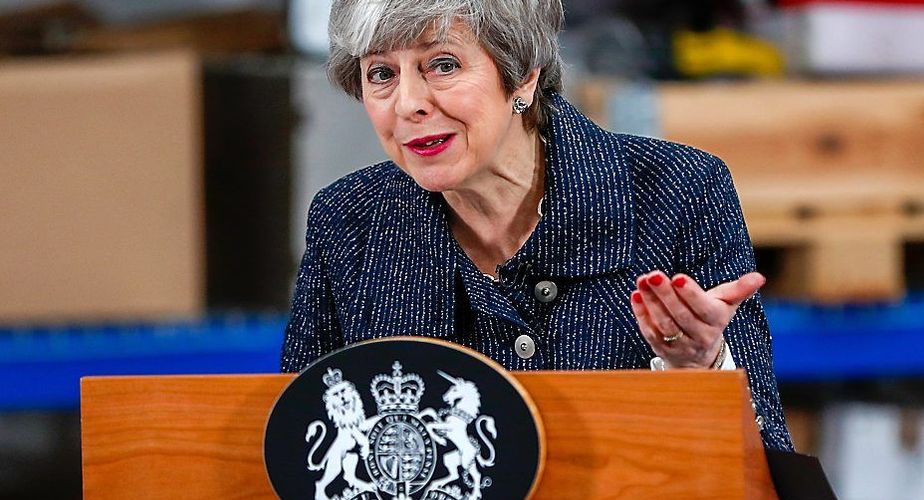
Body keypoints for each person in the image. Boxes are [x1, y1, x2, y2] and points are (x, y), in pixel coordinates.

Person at [281, 0, 793, 451]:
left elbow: (765, 459)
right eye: (381, 74)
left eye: (442, 64)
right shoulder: (349, 221)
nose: (408, 104)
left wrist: (699, 368)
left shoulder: (677, 191)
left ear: (523, 74)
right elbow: (298, 446)